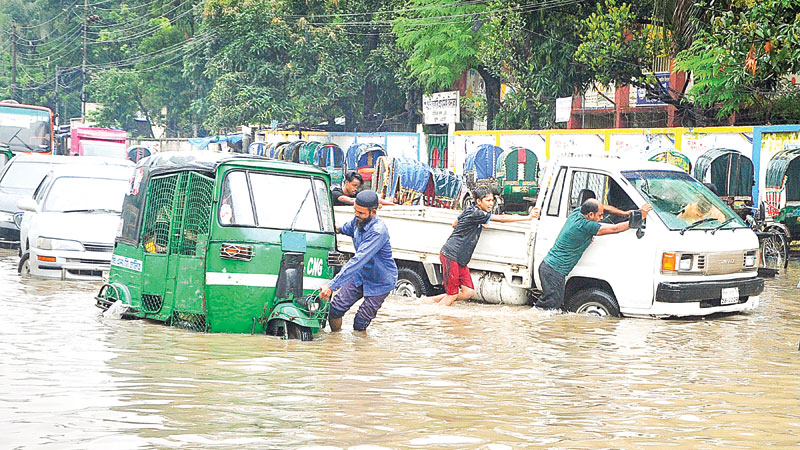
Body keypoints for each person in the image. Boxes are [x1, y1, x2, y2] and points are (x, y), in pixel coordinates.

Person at [427, 186, 536, 307]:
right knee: (451, 294)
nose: (491, 203)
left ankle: (428, 302)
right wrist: (528, 217)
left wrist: (476, 223)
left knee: (468, 292)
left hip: (461, 259)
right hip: (451, 255)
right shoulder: (477, 213)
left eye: (492, 200)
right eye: (487, 200)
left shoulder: (471, 210)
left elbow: (455, 223)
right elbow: (502, 218)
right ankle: (439, 318)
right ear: (479, 201)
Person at [535, 198, 652, 311]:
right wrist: (639, 217)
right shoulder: (585, 225)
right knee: (551, 305)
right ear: (591, 215)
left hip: (549, 268)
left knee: (552, 304)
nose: (602, 218)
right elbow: (614, 229)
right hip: (554, 271)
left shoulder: (577, 212)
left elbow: (604, 207)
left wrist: (625, 213)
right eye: (600, 215)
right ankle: (533, 321)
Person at [319, 190, 398, 332]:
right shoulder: (358, 221)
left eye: (361, 213)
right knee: (335, 309)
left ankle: (359, 349)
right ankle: (335, 342)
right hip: (361, 275)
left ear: (373, 212)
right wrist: (330, 229)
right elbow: (345, 228)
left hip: (380, 280)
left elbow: (357, 261)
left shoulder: (378, 231)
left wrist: (332, 286)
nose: (357, 215)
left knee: (360, 322)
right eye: (355, 211)